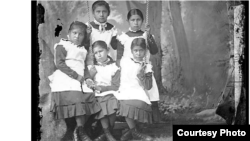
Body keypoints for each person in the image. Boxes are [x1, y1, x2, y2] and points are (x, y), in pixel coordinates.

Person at [48, 21, 101, 141]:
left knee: (92, 99)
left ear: (84, 37)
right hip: (66, 76)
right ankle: (79, 131)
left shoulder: (83, 49)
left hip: (80, 78)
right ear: (68, 34)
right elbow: (60, 64)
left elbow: (84, 67)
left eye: (80, 34)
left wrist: (87, 78)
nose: (77, 36)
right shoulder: (62, 45)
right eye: (74, 33)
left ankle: (81, 129)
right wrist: (76, 76)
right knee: (76, 99)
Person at [117, 8, 161, 123]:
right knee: (131, 95)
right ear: (128, 21)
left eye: (138, 20)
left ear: (142, 21)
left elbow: (154, 51)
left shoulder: (146, 35)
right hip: (129, 71)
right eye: (133, 20)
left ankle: (153, 121)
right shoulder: (123, 37)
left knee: (151, 92)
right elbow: (119, 57)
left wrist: (149, 34)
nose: (136, 22)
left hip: (144, 68)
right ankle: (130, 120)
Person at [114, 38, 154, 141]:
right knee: (127, 104)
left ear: (145, 51)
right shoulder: (125, 61)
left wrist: (141, 73)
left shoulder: (147, 66)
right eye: (136, 50)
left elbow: (148, 86)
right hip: (125, 89)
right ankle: (134, 132)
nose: (138, 53)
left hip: (138, 89)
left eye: (141, 50)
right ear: (132, 51)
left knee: (141, 104)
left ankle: (131, 133)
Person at [88, 41, 120, 141]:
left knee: (112, 102)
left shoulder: (114, 67)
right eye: (96, 53)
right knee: (101, 102)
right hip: (97, 94)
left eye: (101, 51)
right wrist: (91, 76)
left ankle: (107, 132)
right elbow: (87, 84)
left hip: (111, 92)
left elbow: (116, 86)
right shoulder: (92, 68)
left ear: (108, 50)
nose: (99, 55)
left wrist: (101, 88)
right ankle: (107, 133)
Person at [85, 0, 119, 67]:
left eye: (104, 11)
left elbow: (115, 46)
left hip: (106, 60)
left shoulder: (112, 29)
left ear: (108, 13)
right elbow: (83, 45)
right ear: (93, 13)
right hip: (92, 61)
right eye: (98, 12)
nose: (101, 14)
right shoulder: (88, 27)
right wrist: (87, 35)